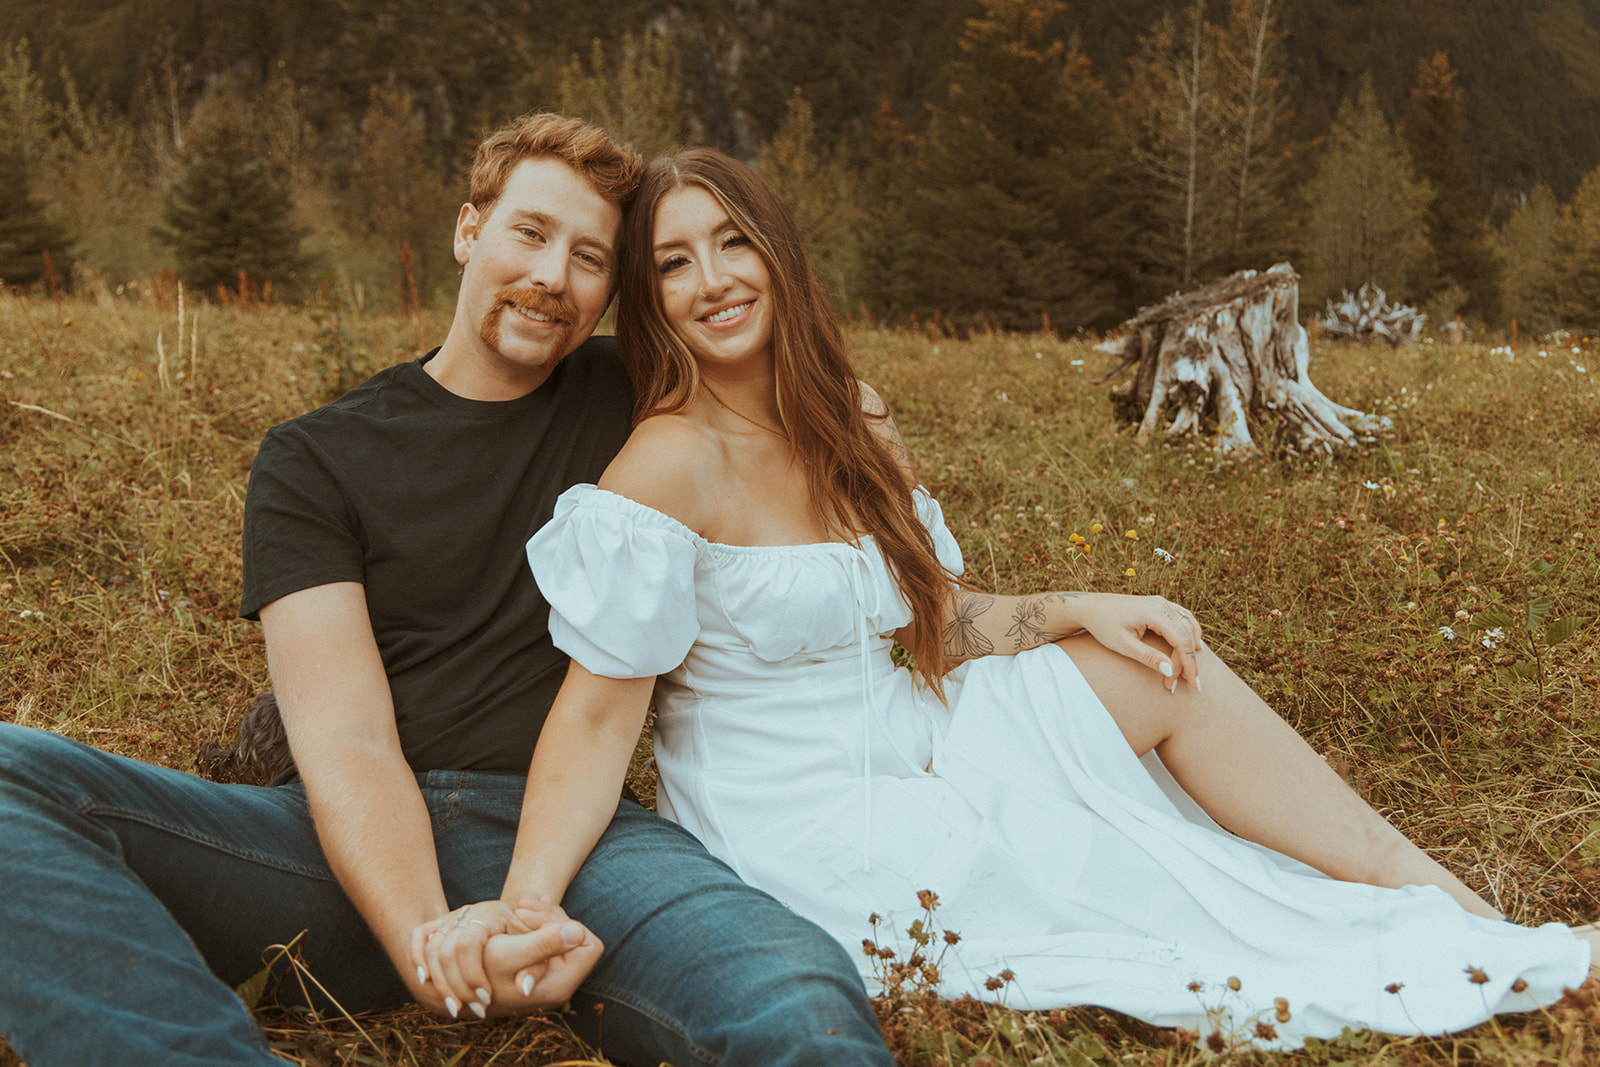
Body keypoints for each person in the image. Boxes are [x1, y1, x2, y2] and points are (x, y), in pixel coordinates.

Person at [416, 145, 1599, 1049]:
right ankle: (1446, 941)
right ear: (650, 299)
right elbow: (595, 714)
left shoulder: (853, 415)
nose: (711, 281)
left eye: (730, 243)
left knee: (1158, 658)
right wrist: (528, 902)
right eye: (671, 263)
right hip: (810, 809)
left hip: (931, 717)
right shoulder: (668, 462)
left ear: (777, 252)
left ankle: (1443, 898)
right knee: (1133, 895)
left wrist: (1078, 601)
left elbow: (933, 618)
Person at [0, 117, 892, 1067]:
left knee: (797, 992)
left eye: (590, 257)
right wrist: (432, 944)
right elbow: (344, 735)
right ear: (470, 231)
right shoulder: (316, 457)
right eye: (531, 233)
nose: (554, 275)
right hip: (337, 852)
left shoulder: (639, 396)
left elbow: (803, 392)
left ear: (613, 292)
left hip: (578, 843)